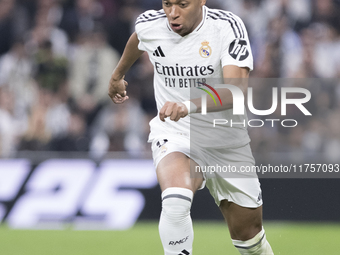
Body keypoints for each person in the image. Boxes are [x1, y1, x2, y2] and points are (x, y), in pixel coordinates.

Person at [108, 0, 274, 254]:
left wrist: (188, 105)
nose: (173, 13)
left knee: (249, 240)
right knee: (175, 201)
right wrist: (117, 75)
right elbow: (138, 40)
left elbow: (236, 90)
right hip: (175, 132)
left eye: (182, 4)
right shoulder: (150, 24)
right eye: (167, 4)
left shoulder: (227, 27)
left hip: (226, 140)